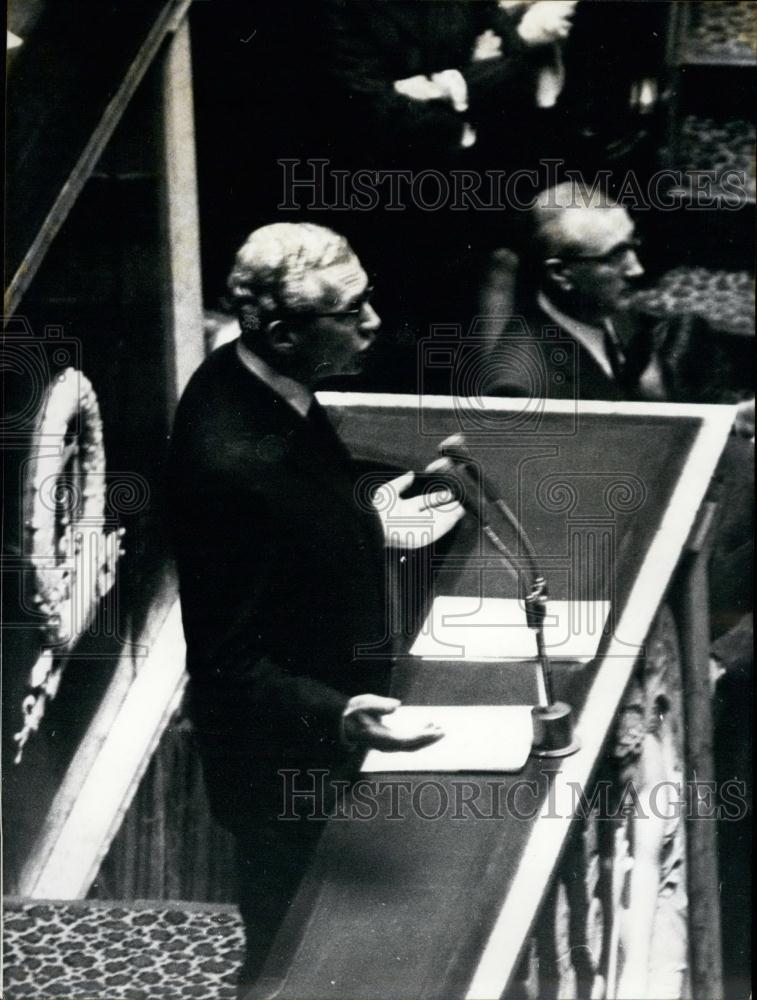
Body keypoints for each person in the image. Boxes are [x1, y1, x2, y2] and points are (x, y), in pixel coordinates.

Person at [168, 222, 463, 998]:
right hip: (281, 764)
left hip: (321, 720)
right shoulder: (225, 461)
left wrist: (374, 496)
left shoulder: (258, 380)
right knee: (291, 954)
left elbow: (302, 485)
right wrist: (341, 715)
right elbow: (228, 666)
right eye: (350, 312)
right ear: (280, 329)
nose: (372, 323)